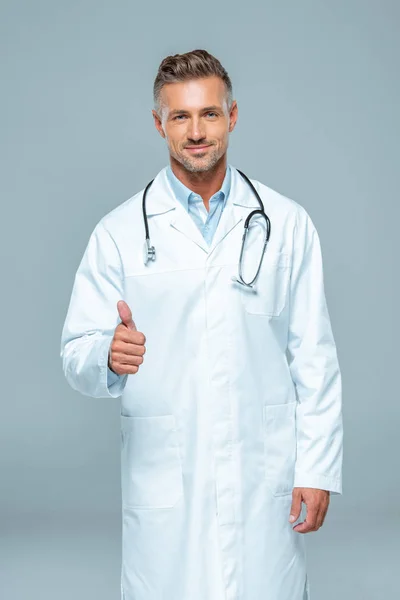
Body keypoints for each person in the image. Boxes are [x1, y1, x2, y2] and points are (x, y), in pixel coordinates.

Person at [60, 48, 343, 600]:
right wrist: (106, 356)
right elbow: (76, 353)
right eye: (180, 116)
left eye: (209, 114)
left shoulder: (286, 223)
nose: (196, 131)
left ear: (232, 116)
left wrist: (317, 469)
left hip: (263, 470)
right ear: (158, 123)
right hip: (168, 474)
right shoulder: (118, 233)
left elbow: (314, 355)